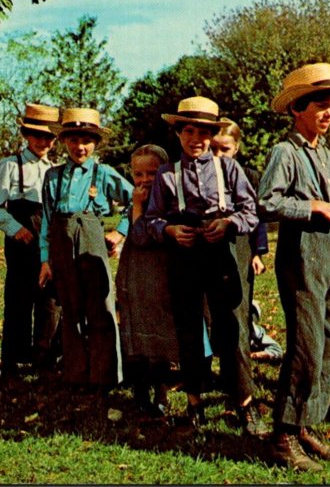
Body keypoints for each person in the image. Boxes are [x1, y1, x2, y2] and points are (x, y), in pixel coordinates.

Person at [138, 96, 267, 437]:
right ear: (178, 132)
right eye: (189, 131)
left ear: (213, 134)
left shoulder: (229, 169)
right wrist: (168, 229)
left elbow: (252, 211)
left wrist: (229, 223)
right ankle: (194, 403)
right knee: (188, 326)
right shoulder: (167, 175)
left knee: (232, 327)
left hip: (222, 250)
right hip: (184, 254)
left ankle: (244, 403)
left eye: (204, 132)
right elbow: (151, 218)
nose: (196, 139)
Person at [257, 63, 330, 472]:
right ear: (297, 107)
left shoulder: (326, 154)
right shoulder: (285, 152)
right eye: (320, 104)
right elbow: (266, 202)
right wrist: (311, 206)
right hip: (302, 251)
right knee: (307, 345)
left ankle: (305, 423)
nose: (329, 112)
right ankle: (282, 434)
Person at [38, 107, 133, 394]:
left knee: (101, 306)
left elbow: (137, 198)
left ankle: (105, 375)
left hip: (92, 238)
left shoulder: (103, 173)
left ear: (96, 143)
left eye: (87, 140)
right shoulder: (53, 177)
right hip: (61, 242)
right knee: (71, 306)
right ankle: (76, 372)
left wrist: (120, 232)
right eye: (74, 140)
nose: (80, 147)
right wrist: (45, 259)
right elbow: (46, 218)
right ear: (65, 141)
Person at [0, 103, 62, 385]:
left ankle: (43, 359)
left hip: (47, 238)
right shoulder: (10, 165)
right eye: (38, 136)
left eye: (49, 138)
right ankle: (10, 362)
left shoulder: (55, 170)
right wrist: (14, 228)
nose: (44, 142)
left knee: (48, 301)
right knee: (18, 300)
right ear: (26, 135)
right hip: (21, 241)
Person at [211, 120, 282, 362]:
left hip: (240, 245)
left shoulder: (248, 176)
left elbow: (258, 217)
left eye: (224, 149)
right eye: (213, 149)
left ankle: (239, 354)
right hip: (210, 245)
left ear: (236, 148)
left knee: (238, 302)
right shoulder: (202, 176)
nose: (218, 156)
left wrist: (257, 252)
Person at [115, 144, 178, 417]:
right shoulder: (134, 202)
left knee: (159, 331)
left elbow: (142, 235)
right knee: (135, 327)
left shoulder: (166, 200)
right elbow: (127, 226)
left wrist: (139, 206)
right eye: (138, 174)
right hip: (135, 270)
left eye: (151, 173)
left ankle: (161, 391)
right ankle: (140, 390)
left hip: (159, 269)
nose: (144, 180)